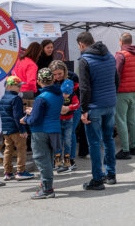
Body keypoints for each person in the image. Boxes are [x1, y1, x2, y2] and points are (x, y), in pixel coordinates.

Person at [76, 32, 119, 191]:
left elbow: (84, 88)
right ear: (93, 41)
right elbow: (116, 80)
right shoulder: (110, 56)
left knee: (94, 142)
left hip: (94, 106)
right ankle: (111, 174)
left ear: (81, 45)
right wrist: (112, 97)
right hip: (110, 103)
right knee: (108, 139)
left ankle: (97, 178)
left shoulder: (84, 60)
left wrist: (83, 109)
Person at [21, 68, 63, 199]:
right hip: (54, 129)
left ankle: (47, 189)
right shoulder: (58, 94)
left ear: (39, 82)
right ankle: (46, 185)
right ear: (53, 79)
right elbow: (49, 111)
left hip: (41, 131)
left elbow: (35, 119)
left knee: (42, 159)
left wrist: (25, 119)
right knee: (48, 159)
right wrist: (34, 111)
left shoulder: (41, 98)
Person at [114, 32, 135, 160]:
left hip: (121, 92)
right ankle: (134, 147)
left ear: (121, 42)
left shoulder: (120, 55)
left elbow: (116, 74)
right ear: (131, 42)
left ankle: (125, 150)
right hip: (133, 92)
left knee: (121, 120)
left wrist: (114, 89)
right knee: (132, 120)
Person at [0, 76, 33, 181]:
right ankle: (20, 171)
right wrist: (23, 130)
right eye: (17, 86)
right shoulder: (16, 98)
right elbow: (18, 116)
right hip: (17, 129)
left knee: (8, 150)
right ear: (9, 86)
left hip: (6, 129)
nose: (20, 88)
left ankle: (7, 173)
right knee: (21, 149)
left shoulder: (2, 98)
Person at [51, 61, 80, 172]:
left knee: (70, 134)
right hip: (57, 112)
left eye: (60, 74)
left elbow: (78, 96)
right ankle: (57, 159)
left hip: (72, 110)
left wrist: (69, 107)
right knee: (58, 136)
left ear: (65, 71)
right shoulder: (51, 80)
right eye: (55, 74)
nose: (57, 77)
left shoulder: (72, 77)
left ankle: (70, 160)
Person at [56, 78, 79, 173]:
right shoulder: (58, 95)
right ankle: (57, 160)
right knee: (58, 140)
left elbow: (77, 104)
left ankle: (67, 160)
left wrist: (69, 107)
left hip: (69, 121)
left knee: (68, 141)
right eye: (63, 93)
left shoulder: (73, 96)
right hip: (59, 120)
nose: (64, 95)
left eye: (66, 94)